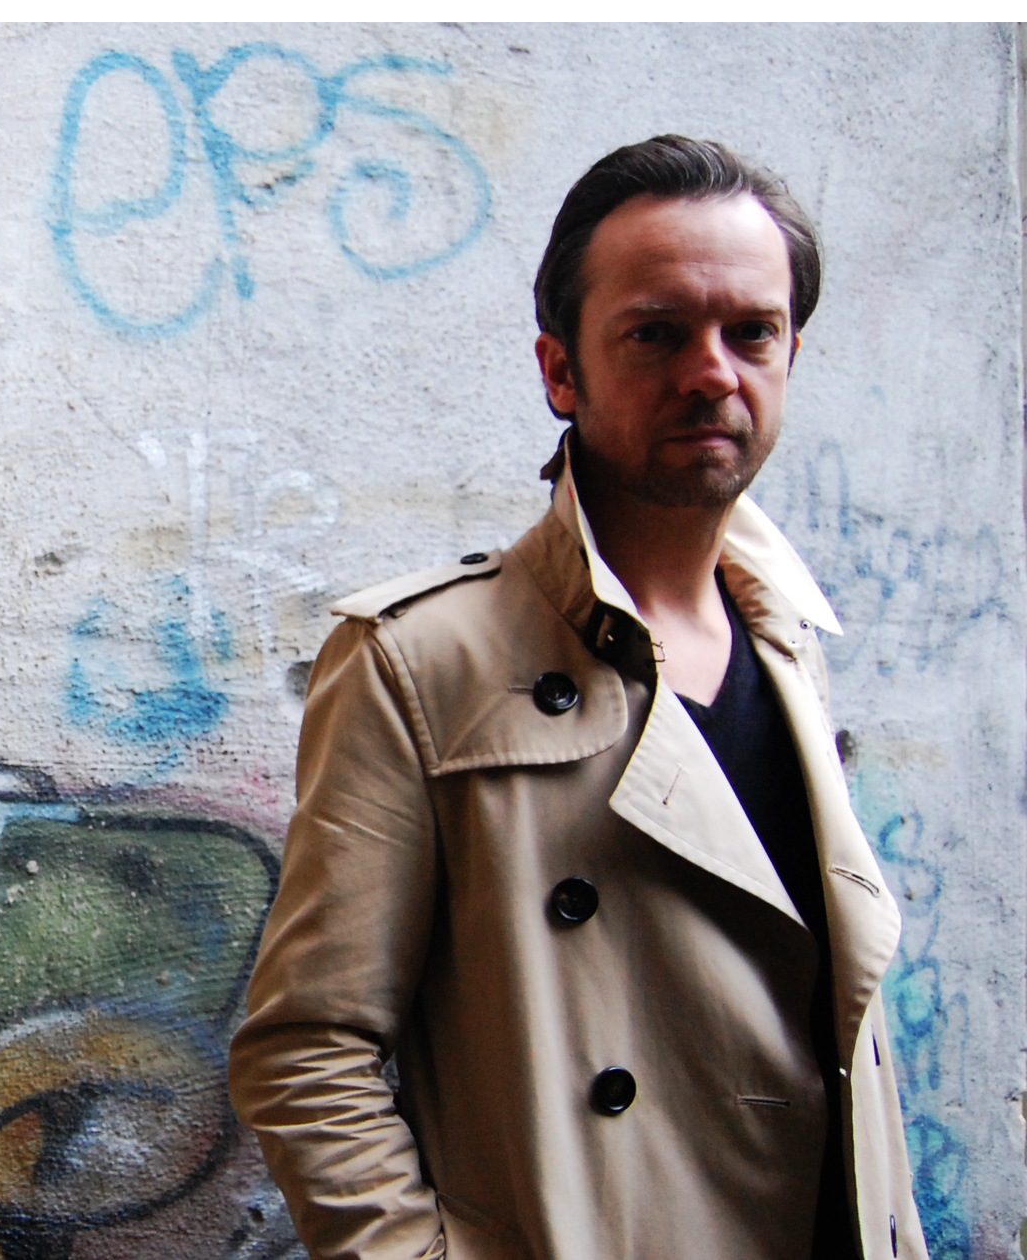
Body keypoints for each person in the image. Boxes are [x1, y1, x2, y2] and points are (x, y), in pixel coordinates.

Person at [228, 136, 926, 1260]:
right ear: (561, 371)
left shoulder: (790, 637)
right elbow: (307, 1048)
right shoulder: (418, 661)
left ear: (791, 354)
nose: (712, 373)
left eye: (750, 332)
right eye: (656, 333)